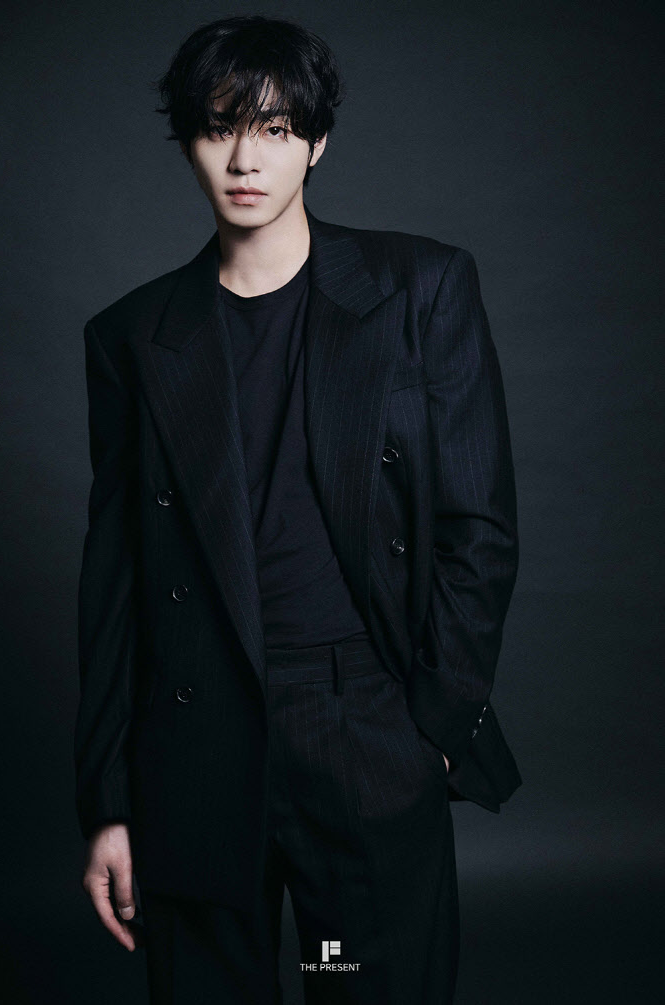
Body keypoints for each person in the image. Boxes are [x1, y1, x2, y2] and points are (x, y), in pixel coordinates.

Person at [75, 14, 522, 1004]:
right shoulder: (132, 336)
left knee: (360, 981)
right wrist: (107, 801)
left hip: (362, 731)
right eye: (218, 127)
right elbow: (114, 580)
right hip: (194, 740)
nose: (245, 159)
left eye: (274, 130)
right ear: (187, 142)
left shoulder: (419, 288)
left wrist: (432, 725)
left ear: (317, 142)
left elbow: (478, 525)